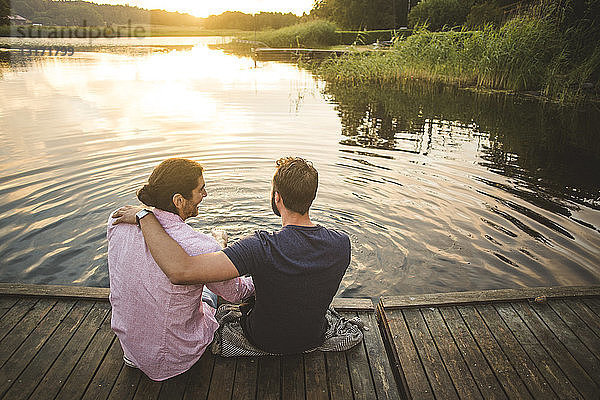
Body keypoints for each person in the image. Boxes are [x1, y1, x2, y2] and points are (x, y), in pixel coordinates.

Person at [112, 157, 351, 354]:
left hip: (263, 339)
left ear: (277, 197)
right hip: (312, 337)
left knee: (213, 295)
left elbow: (182, 271)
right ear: (311, 197)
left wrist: (145, 216)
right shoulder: (342, 244)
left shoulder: (260, 246)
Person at [107, 158, 254, 381]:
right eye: (200, 190)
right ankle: (222, 250)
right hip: (173, 357)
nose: (205, 195)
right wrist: (259, 271)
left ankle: (219, 254)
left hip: (131, 347)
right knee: (209, 293)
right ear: (178, 200)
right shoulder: (200, 246)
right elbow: (237, 293)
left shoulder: (118, 221)